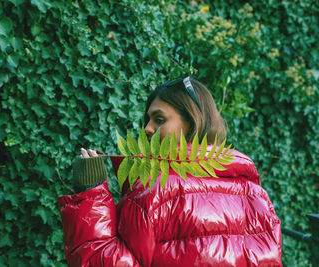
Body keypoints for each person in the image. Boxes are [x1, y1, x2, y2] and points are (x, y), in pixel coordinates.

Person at [57, 77, 282, 266]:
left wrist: (91, 194)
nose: (146, 128)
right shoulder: (257, 196)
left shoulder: (156, 190)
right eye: (147, 120)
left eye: (159, 119)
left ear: (192, 122)